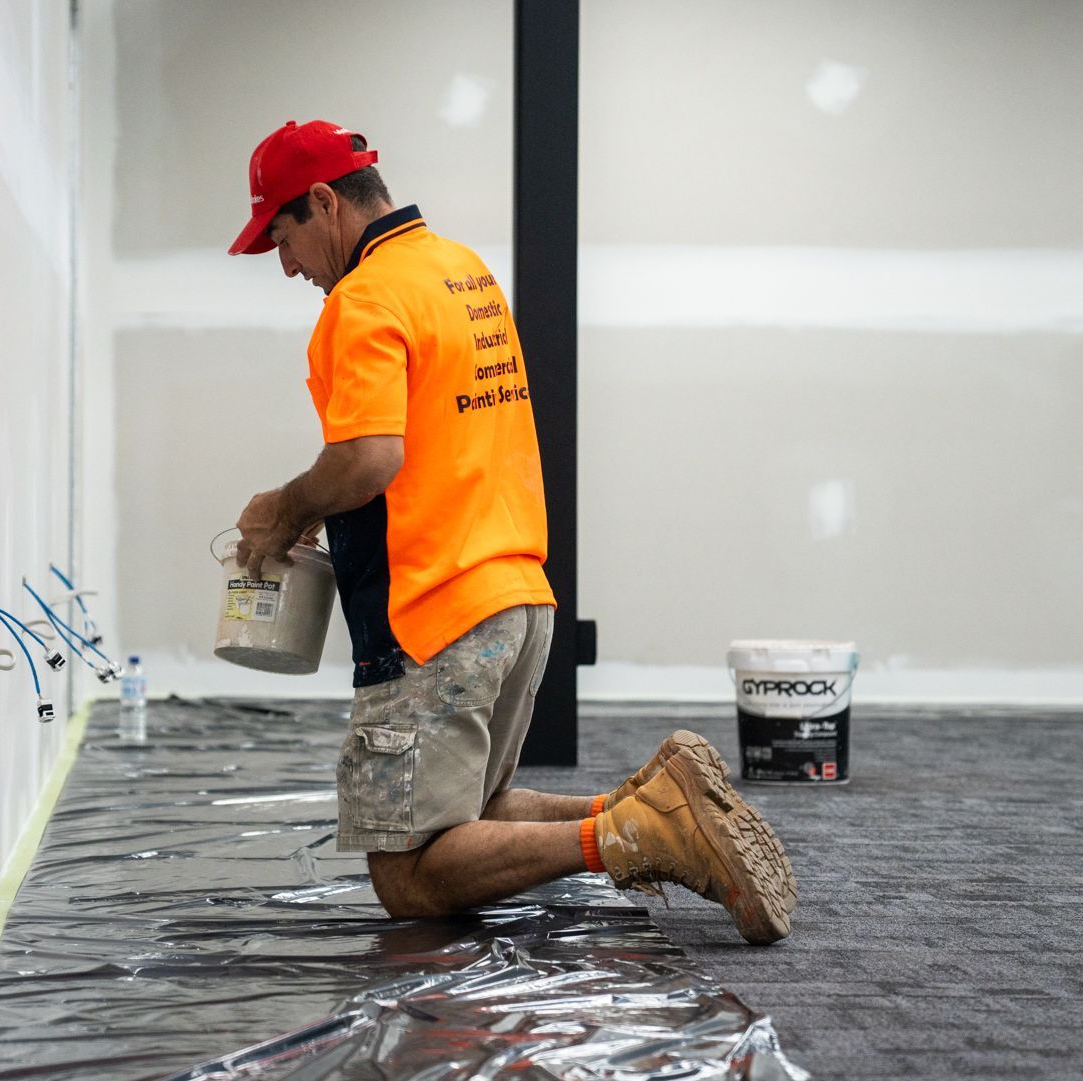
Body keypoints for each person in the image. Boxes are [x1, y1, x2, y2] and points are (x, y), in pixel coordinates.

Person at [227, 120, 799, 944]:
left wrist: (283, 510)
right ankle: (654, 803)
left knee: (409, 871)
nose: (285, 264)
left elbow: (368, 456)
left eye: (282, 237)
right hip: (516, 599)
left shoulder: (365, 295)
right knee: (478, 813)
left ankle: (636, 835)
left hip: (432, 615)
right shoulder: (461, 271)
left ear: (322, 202)